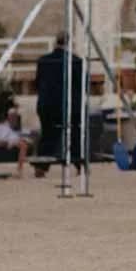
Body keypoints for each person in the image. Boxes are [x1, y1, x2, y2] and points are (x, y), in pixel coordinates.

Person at [34, 33, 85, 177]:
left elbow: (37, 83)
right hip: (69, 105)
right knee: (75, 134)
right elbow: (82, 85)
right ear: (69, 44)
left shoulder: (43, 61)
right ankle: (79, 164)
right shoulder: (75, 61)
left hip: (47, 104)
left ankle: (41, 167)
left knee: (48, 135)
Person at [0, 108, 33, 178]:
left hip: (9, 139)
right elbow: (3, 136)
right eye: (13, 116)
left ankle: (24, 167)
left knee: (25, 143)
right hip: (3, 140)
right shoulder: (2, 126)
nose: (15, 118)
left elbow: (16, 133)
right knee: (23, 145)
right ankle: (20, 170)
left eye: (16, 116)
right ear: (9, 116)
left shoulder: (13, 125)